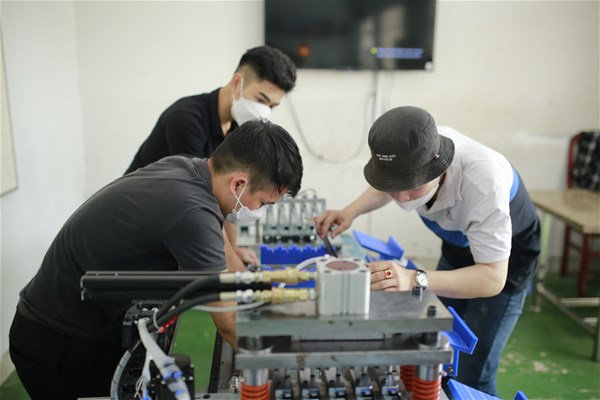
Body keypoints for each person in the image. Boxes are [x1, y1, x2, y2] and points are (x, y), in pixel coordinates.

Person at [9, 119, 303, 400]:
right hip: (57, 340)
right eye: (262, 203)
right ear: (238, 185)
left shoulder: (190, 168)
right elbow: (226, 322)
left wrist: (251, 288)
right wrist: (282, 373)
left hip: (81, 322)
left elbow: (224, 253)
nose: (259, 211)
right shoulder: (193, 213)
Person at [314, 106, 540, 396]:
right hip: (459, 243)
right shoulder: (412, 147)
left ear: (438, 168)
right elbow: (391, 180)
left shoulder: (484, 182)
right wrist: (350, 212)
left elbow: (492, 278)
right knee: (432, 342)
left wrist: (414, 278)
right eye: (394, 186)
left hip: (505, 262)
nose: (402, 197)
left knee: (473, 370)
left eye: (412, 186)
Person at [125, 45, 297, 269]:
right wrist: (238, 272)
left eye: (272, 106)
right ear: (237, 82)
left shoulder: (239, 127)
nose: (265, 112)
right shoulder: (185, 119)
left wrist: (235, 249)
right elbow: (202, 199)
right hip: (139, 227)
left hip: (174, 220)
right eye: (261, 100)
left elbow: (230, 197)